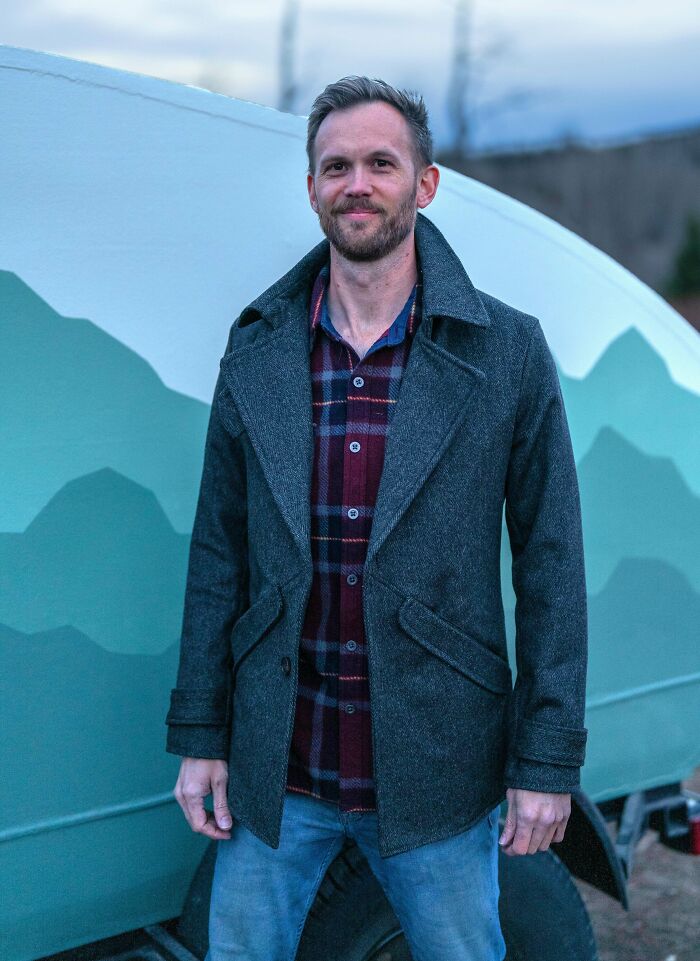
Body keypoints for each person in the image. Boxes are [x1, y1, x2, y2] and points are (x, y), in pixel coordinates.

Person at [164, 76, 589, 961]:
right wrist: (202, 736)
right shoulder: (258, 348)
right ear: (312, 187)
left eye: (381, 163)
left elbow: (551, 564)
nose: (357, 182)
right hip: (276, 772)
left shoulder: (507, 350)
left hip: (439, 773)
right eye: (336, 166)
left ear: (424, 184)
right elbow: (217, 555)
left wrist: (546, 761)